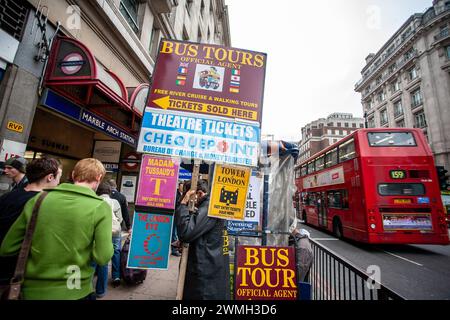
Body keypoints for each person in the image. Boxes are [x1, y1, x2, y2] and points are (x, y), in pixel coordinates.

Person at [0, 158, 113, 300]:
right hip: (75, 289)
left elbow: (7, 248)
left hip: (32, 290)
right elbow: (103, 257)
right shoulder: (100, 207)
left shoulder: (38, 200)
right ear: (99, 177)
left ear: (73, 175)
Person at [0, 157, 62, 287]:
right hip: (20, 273)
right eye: (59, 177)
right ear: (50, 177)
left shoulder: (8, 196)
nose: (58, 182)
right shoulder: (46, 203)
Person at [175, 179, 230, 300]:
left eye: (189, 197)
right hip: (209, 268)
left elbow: (186, 233)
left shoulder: (209, 208)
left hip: (206, 273)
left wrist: (183, 204)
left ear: (199, 194)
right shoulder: (211, 205)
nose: (190, 201)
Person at [93, 182, 123, 297]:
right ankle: (116, 275)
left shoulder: (95, 200)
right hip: (115, 232)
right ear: (109, 192)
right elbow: (119, 219)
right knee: (116, 252)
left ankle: (93, 284)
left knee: (98, 257)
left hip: (99, 232)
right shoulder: (114, 202)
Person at [171, 182, 184, 257]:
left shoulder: (183, 194)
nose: (182, 188)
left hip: (179, 217)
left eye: (182, 187)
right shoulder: (176, 194)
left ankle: (178, 249)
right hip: (175, 216)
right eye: (181, 186)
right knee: (174, 233)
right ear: (178, 187)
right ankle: (174, 250)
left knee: (178, 233)